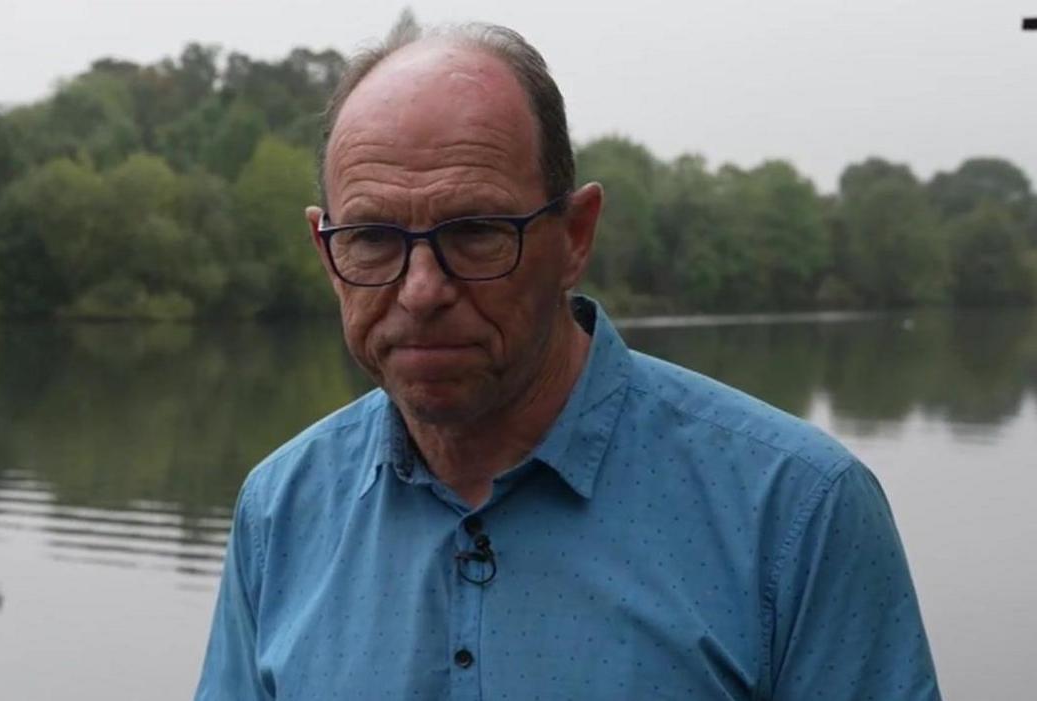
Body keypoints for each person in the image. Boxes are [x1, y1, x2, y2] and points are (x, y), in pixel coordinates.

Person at [194, 21, 941, 701]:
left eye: (477, 230)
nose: (421, 290)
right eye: (373, 238)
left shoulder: (795, 512)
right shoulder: (281, 510)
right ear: (327, 251)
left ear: (575, 236)